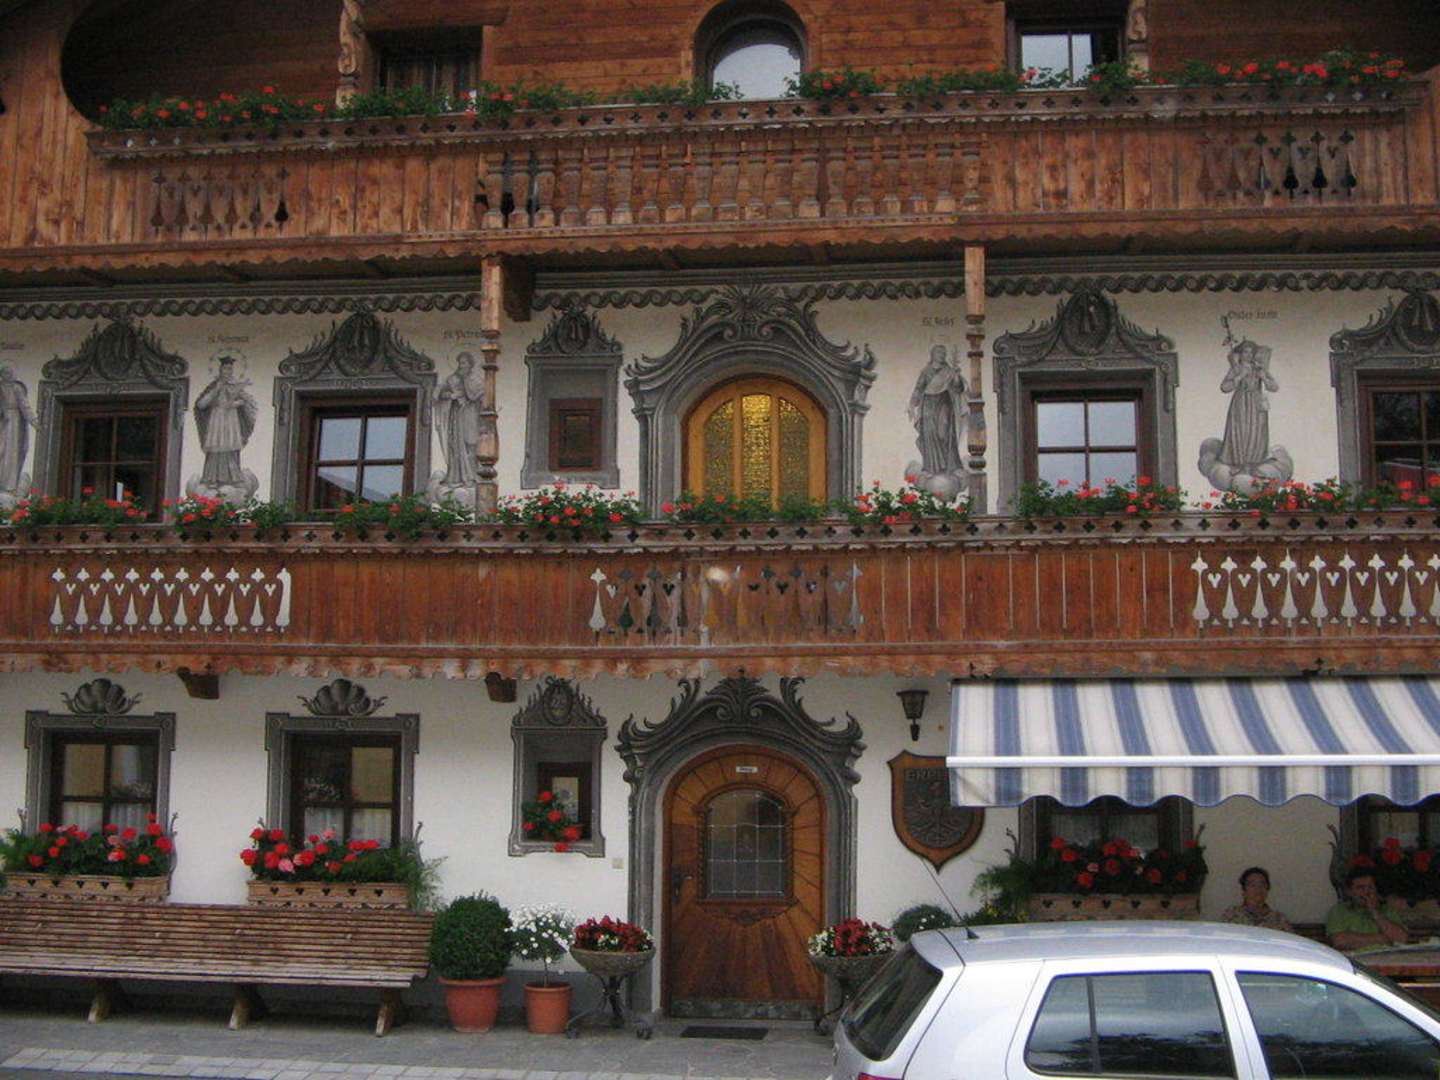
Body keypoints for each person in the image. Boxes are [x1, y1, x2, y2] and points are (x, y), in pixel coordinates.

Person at [193, 355, 258, 487]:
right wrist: (217, 389)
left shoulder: (235, 386)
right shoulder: (214, 386)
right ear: (220, 370)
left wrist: (238, 403)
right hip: (216, 421)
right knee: (216, 448)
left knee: (231, 449)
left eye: (230, 369)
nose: (227, 372)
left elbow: (249, 401)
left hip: (231, 422)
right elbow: (201, 405)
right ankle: (212, 478)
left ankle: (234, 478)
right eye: (225, 369)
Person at [1217, 338, 1278, 470]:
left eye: (1251, 352)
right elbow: (1224, 387)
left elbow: (1274, 387)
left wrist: (1264, 378)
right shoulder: (1237, 368)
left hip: (1256, 404)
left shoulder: (1258, 368)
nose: (1249, 355)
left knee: (1257, 431)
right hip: (1241, 404)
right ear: (1240, 354)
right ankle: (1239, 463)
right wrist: (1239, 376)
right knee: (1241, 431)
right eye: (1246, 352)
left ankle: (1254, 462)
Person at [907, 344, 966, 479]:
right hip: (928, 404)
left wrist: (956, 376)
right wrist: (912, 405)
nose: (941, 355)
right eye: (939, 352)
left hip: (944, 402)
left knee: (943, 432)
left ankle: (951, 466)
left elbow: (958, 388)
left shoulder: (949, 371)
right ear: (933, 354)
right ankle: (930, 467)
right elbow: (918, 389)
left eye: (943, 353)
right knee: (928, 433)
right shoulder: (926, 371)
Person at [1325, 866, 1410, 951]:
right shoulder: (1339, 911)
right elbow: (1340, 941)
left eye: (1370, 887)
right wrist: (1383, 939)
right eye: (1360, 888)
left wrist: (1374, 912)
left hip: (1387, 957)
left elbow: (1401, 939)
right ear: (1349, 892)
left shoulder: (1387, 910)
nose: (1366, 892)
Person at [434, 352, 485, 487]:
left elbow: (481, 395)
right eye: (460, 363)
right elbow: (439, 393)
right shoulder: (452, 379)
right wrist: (451, 395)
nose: (461, 366)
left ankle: (473, 475)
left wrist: (470, 393)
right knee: (456, 444)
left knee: (471, 443)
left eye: (464, 363)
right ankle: (456, 477)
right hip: (457, 415)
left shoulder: (476, 379)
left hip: (471, 413)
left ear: (470, 364)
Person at [0, 363, 37, 499]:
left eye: (9, 372)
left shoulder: (16, 388)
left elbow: (24, 406)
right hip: (3, 420)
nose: (7, 375)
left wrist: (33, 421)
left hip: (14, 422)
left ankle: (10, 485)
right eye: (5, 373)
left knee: (11, 453)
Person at [1219, 866, 1293, 931]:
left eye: (1262, 884)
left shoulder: (1279, 919)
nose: (1258, 888)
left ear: (1267, 890)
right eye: (1253, 885)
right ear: (1244, 891)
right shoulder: (1231, 915)